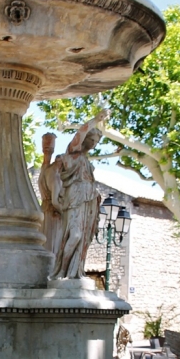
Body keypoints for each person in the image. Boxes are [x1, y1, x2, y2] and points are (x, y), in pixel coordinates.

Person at [50, 116, 104, 280]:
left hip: (88, 200)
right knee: (75, 235)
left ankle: (75, 272)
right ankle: (62, 271)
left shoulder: (86, 160)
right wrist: (96, 120)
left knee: (84, 238)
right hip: (74, 198)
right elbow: (78, 135)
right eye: (91, 139)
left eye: (96, 141)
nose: (94, 144)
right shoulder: (72, 152)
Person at [38, 133, 61, 262]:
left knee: (51, 244)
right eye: (45, 144)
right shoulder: (48, 169)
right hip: (49, 211)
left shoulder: (51, 170)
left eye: (49, 144)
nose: (46, 147)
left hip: (50, 212)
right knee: (49, 243)